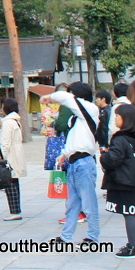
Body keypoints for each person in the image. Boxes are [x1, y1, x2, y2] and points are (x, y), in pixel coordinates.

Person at [44, 82, 101, 245]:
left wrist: (50, 97)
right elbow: (73, 140)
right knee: (72, 204)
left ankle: (92, 237)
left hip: (84, 163)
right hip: (74, 163)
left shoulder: (91, 110)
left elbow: (67, 98)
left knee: (89, 204)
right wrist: (64, 154)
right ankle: (66, 236)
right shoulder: (75, 119)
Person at [100, 103, 135, 258]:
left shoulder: (120, 138)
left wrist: (104, 155)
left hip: (124, 180)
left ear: (125, 118)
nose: (115, 118)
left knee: (128, 213)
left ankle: (132, 247)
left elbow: (113, 160)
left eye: (117, 116)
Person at [0, 97, 26, 221]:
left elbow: (5, 142)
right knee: (14, 182)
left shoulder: (7, 122)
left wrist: (1, 158)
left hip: (10, 154)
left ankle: (14, 211)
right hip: (17, 152)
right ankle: (16, 209)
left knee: (9, 182)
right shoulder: (15, 120)